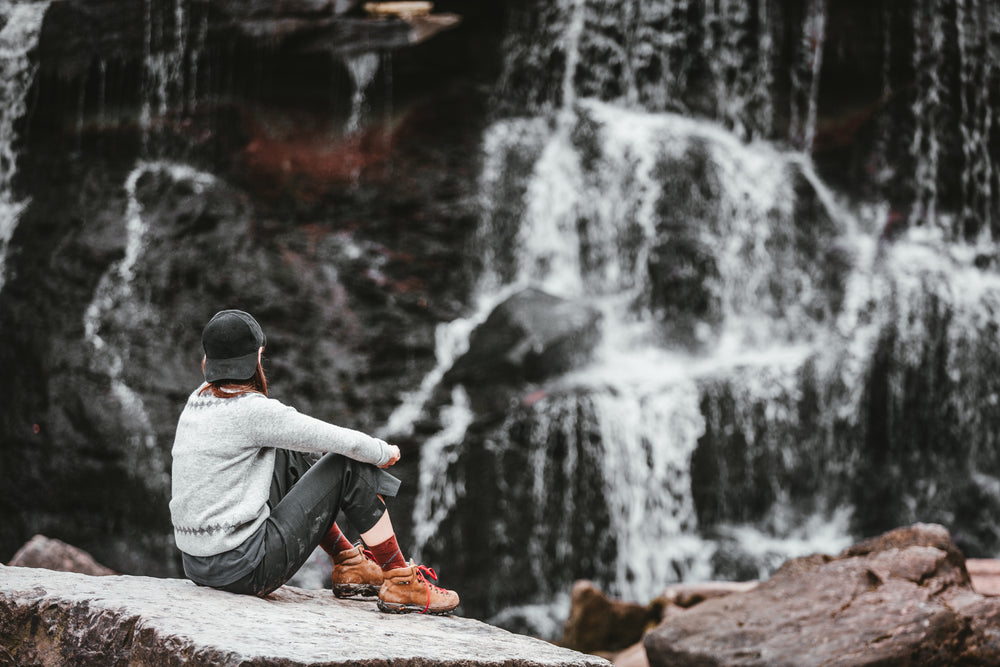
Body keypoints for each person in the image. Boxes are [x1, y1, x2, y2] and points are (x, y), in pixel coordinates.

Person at [169, 309, 459, 614]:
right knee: (349, 463)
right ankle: (401, 582)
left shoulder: (196, 402)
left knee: (287, 452)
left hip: (198, 565)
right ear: (257, 357)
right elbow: (340, 442)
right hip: (244, 569)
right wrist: (383, 452)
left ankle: (349, 562)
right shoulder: (252, 411)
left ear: (209, 361)